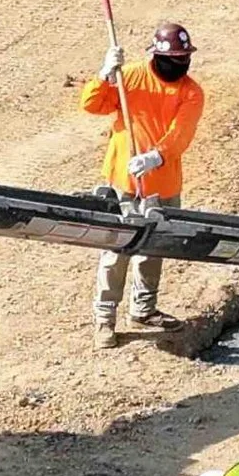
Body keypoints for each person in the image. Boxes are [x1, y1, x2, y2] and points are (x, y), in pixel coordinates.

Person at [79, 21, 205, 348]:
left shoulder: (191, 92)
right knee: (117, 248)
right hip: (123, 178)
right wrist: (105, 75)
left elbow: (181, 134)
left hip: (161, 182)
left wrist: (155, 157)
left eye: (183, 58)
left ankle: (143, 309)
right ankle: (104, 319)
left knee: (154, 247)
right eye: (173, 59)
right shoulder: (130, 76)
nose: (179, 65)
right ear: (157, 56)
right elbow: (92, 105)